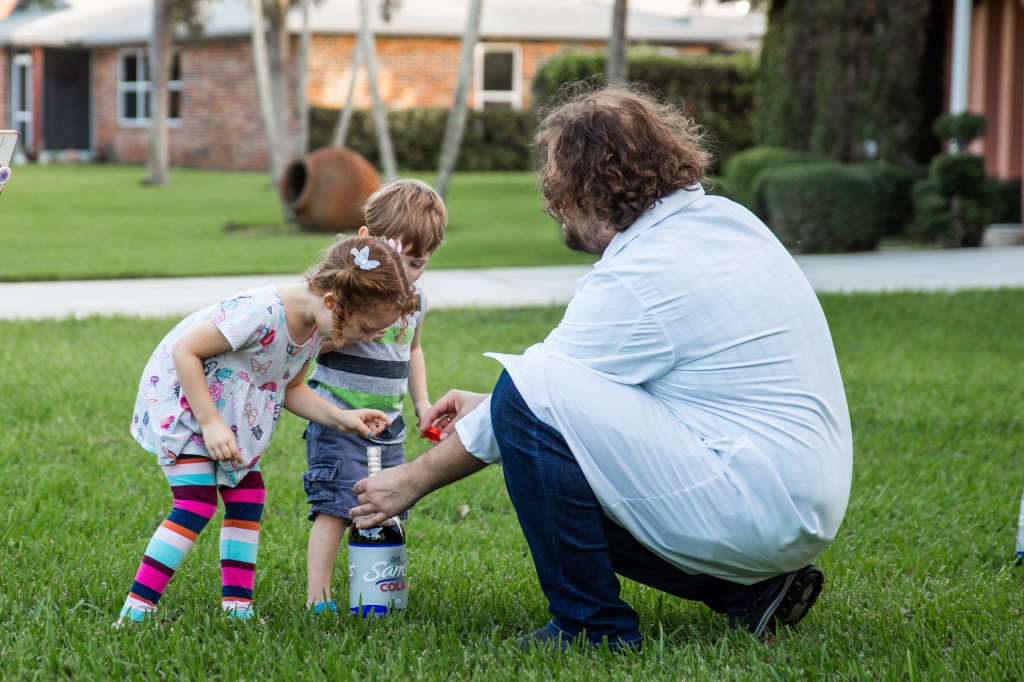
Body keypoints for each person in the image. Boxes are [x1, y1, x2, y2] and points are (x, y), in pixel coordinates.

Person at [351, 85, 853, 649]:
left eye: (556, 183)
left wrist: (408, 482)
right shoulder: (726, 220)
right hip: (797, 497)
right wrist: (496, 407)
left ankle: (592, 626)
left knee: (527, 399)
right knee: (532, 410)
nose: (552, 202)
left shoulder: (641, 272)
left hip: (753, 500)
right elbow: (571, 389)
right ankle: (753, 592)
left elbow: (537, 392)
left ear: (585, 188)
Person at [115, 235, 418, 626]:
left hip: (226, 416)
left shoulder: (315, 331)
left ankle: (238, 610)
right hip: (188, 406)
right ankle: (135, 612)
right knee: (196, 502)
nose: (367, 340)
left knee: (249, 497)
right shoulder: (260, 312)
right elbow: (186, 351)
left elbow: (288, 387)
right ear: (332, 303)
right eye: (365, 329)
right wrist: (210, 423)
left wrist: (340, 417)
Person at [302, 179, 447, 613]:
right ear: (365, 242)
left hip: (389, 427)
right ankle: (319, 597)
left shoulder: (417, 300)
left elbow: (413, 350)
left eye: (416, 264)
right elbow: (311, 344)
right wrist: (351, 332)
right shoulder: (344, 294)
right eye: (398, 260)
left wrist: (422, 405)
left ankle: (379, 591)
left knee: (388, 506)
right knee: (336, 506)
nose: (404, 274)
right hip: (337, 420)